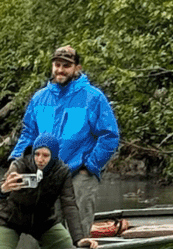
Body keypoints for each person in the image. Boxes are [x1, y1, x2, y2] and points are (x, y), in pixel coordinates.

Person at [10, 45, 120, 237]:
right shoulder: (39, 98)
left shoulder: (93, 97)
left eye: (66, 66)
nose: (60, 70)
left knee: (77, 231)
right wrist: (15, 161)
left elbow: (110, 135)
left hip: (79, 174)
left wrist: (90, 165)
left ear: (77, 68)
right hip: (45, 173)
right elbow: (28, 133)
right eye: (57, 64)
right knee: (45, 230)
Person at [0, 132, 99, 249]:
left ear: (53, 156)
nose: (40, 160)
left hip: (43, 222)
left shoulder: (62, 172)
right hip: (9, 220)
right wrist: (3, 190)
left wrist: (79, 239)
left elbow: (69, 205)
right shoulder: (19, 166)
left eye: (45, 155)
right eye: (37, 154)